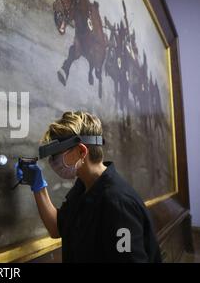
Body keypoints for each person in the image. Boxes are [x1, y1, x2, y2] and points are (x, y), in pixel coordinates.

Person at [15, 111, 161, 262]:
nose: (53, 161)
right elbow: (57, 228)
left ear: (81, 151)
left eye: (57, 154)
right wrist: (38, 186)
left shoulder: (117, 203)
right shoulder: (83, 188)